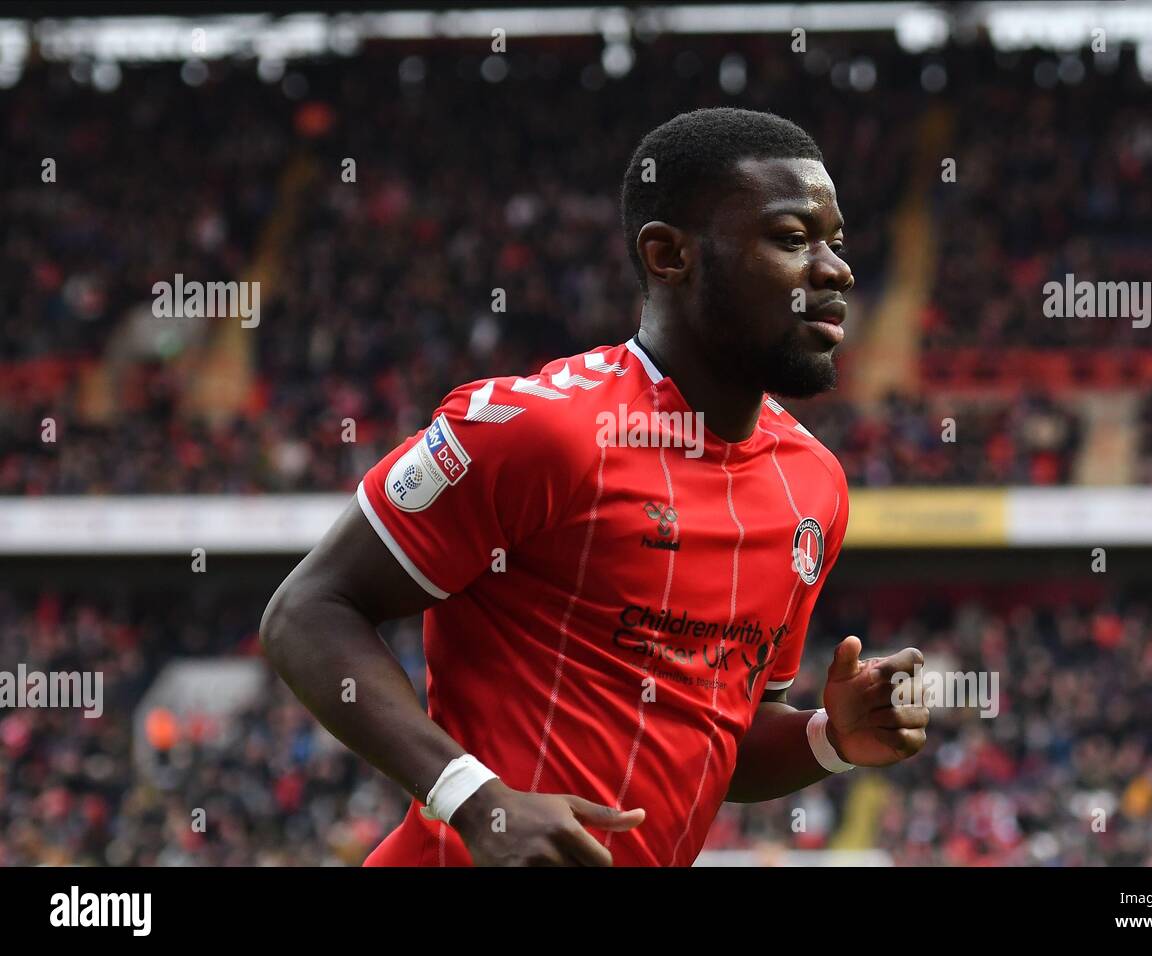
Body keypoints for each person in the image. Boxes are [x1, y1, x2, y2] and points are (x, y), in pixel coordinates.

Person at [261, 107, 928, 866]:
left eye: (835, 242)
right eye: (790, 238)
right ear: (669, 254)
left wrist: (830, 738)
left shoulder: (814, 486)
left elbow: (720, 744)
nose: (835, 268)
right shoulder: (541, 430)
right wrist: (477, 802)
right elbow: (307, 609)